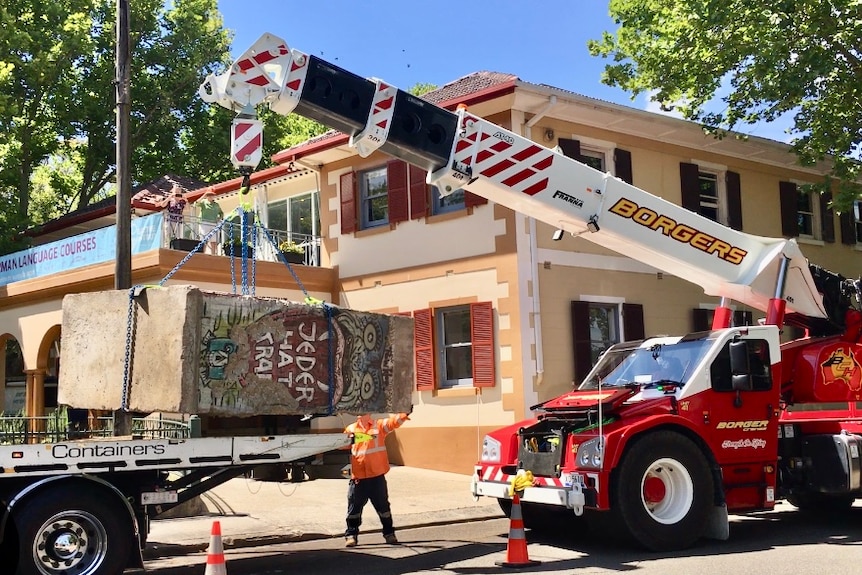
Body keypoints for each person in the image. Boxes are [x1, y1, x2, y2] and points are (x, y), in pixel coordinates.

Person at [343, 412, 410, 547]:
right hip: (359, 478)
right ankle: (351, 535)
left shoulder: (378, 426)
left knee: (383, 507)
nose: (361, 413)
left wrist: (404, 414)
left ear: (369, 412)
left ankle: (389, 534)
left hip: (376, 476)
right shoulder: (350, 429)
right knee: (354, 509)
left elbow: (393, 422)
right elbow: (342, 444)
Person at [196, 190, 223, 254]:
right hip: (204, 223)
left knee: (214, 240)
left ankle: (213, 254)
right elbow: (196, 203)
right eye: (209, 195)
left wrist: (219, 218)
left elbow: (221, 213)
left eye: (212, 195)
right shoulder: (203, 202)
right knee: (204, 239)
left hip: (214, 223)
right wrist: (203, 196)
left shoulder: (216, 204)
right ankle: (203, 253)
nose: (210, 196)